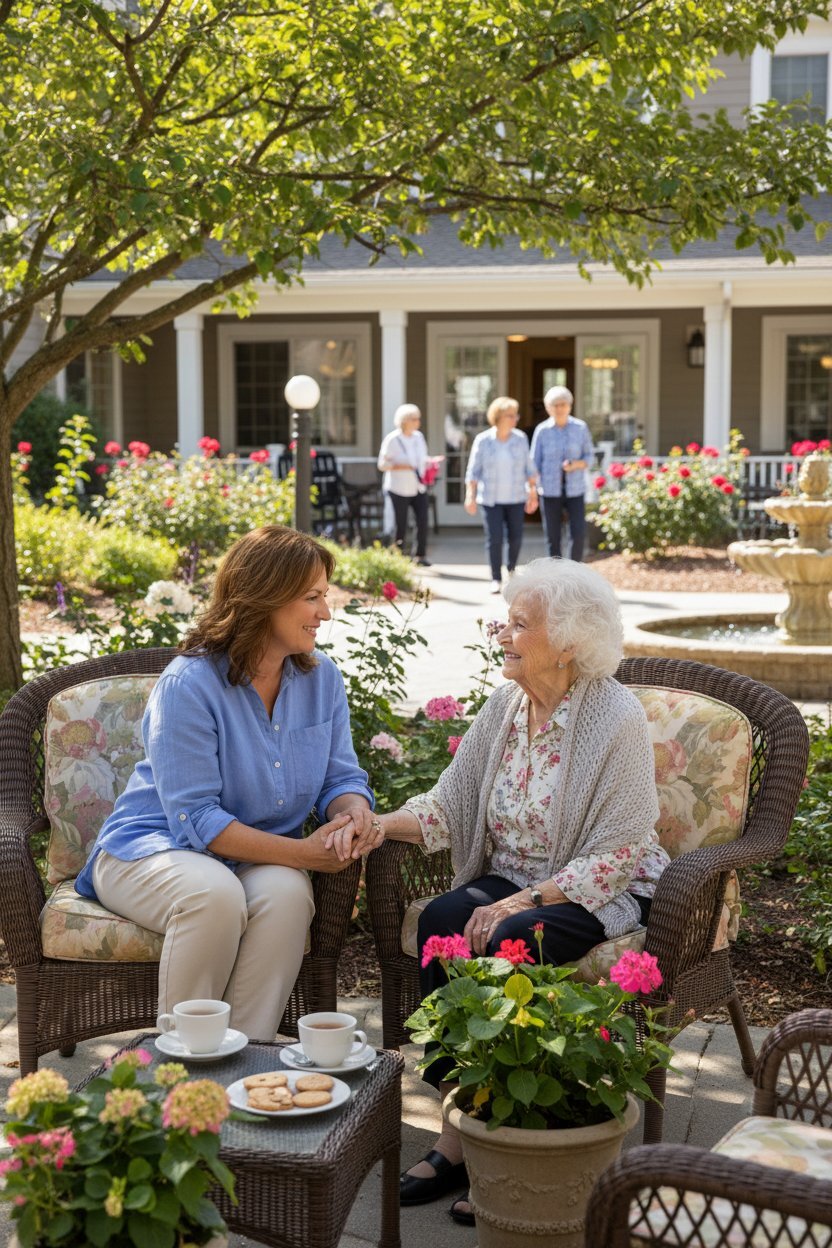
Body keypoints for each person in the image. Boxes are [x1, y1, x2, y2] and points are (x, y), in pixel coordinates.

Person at [362, 559, 668, 1226]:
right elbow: (452, 802)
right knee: (445, 920)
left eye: (519, 623)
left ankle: (488, 1138)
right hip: (516, 876)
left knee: (505, 940)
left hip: (591, 888)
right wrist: (377, 824)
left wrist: (520, 902)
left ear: (567, 640)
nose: (503, 631)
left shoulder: (615, 716)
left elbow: (623, 850)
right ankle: (463, 1122)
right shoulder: (505, 706)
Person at [74, 526, 381, 1043]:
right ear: (264, 599)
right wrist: (306, 854)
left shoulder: (321, 678)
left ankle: (245, 1060)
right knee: (213, 893)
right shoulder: (188, 685)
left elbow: (341, 777)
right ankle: (183, 1066)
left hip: (256, 858)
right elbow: (198, 820)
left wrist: (353, 813)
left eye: (324, 596)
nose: (325, 613)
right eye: (312, 597)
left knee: (287, 894)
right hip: (150, 851)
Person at [464, 396, 539, 593]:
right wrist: (469, 496)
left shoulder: (520, 438)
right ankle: (496, 578)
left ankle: (512, 572)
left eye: (516, 415)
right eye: (511, 415)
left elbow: (529, 469)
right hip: (490, 499)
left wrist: (533, 493)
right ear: (498, 417)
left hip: (515, 498)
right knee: (494, 538)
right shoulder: (483, 440)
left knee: (515, 538)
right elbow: (473, 471)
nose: (516, 419)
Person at [530, 385, 595, 561]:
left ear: (570, 406)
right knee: (553, 536)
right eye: (555, 405)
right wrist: (532, 489)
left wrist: (576, 464)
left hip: (575, 489)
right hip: (549, 490)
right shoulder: (542, 431)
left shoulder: (580, 428)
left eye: (563, 404)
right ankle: (556, 572)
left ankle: (574, 570)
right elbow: (533, 463)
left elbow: (591, 457)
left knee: (578, 534)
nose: (559, 408)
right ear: (548, 407)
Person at [377, 403, 432, 566]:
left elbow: (422, 459)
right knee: (400, 523)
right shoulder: (392, 439)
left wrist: (431, 463)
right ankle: (398, 557)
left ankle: (420, 556)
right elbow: (382, 465)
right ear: (405, 421)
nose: (418, 422)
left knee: (422, 521)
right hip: (398, 488)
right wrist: (403, 466)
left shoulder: (418, 438)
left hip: (418, 486)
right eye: (415, 419)